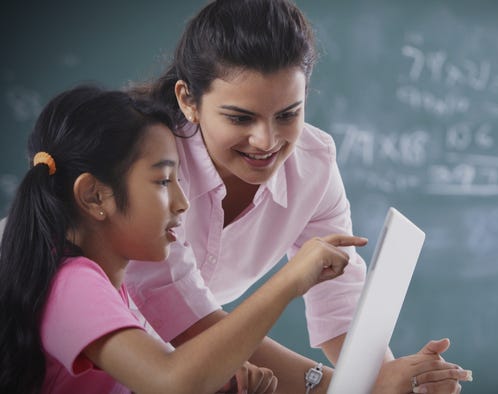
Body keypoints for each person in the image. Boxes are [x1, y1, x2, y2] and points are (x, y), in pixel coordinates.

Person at [127, 0, 472, 392]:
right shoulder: (149, 167)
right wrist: (348, 389)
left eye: (288, 114)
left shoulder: (314, 166)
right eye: (240, 118)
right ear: (188, 100)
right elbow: (185, 324)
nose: (267, 141)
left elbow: (340, 304)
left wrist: (391, 382)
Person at [0, 85, 369, 394]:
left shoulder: (111, 290)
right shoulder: (72, 283)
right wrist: (289, 282)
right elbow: (170, 379)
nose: (183, 201)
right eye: (163, 181)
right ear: (95, 196)